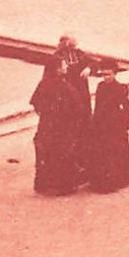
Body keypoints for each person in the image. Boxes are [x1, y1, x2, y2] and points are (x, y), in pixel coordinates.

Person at [29, 43, 92, 196]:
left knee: (47, 154)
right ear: (58, 69)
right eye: (64, 66)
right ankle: (63, 185)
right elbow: (77, 107)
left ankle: (45, 184)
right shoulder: (65, 87)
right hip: (63, 128)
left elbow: (36, 103)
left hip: (47, 126)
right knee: (63, 154)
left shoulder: (44, 84)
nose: (66, 68)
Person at [86, 62, 129, 193]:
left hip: (115, 123)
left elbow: (127, 108)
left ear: (115, 74)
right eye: (104, 74)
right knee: (102, 151)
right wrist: (94, 121)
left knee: (115, 150)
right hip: (101, 122)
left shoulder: (121, 88)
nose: (106, 77)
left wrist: (125, 124)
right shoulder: (100, 86)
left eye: (109, 74)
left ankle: (119, 179)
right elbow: (98, 106)